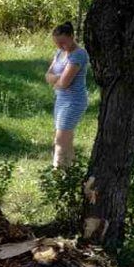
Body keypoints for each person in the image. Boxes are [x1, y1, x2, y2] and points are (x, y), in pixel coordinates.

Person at [44, 21, 89, 168]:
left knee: (61, 139)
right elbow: (48, 76)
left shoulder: (79, 54)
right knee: (65, 138)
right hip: (61, 99)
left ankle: (58, 171)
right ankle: (69, 171)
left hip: (74, 101)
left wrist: (57, 80)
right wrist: (58, 78)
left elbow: (64, 83)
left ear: (72, 36)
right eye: (57, 43)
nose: (60, 46)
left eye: (63, 42)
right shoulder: (60, 53)